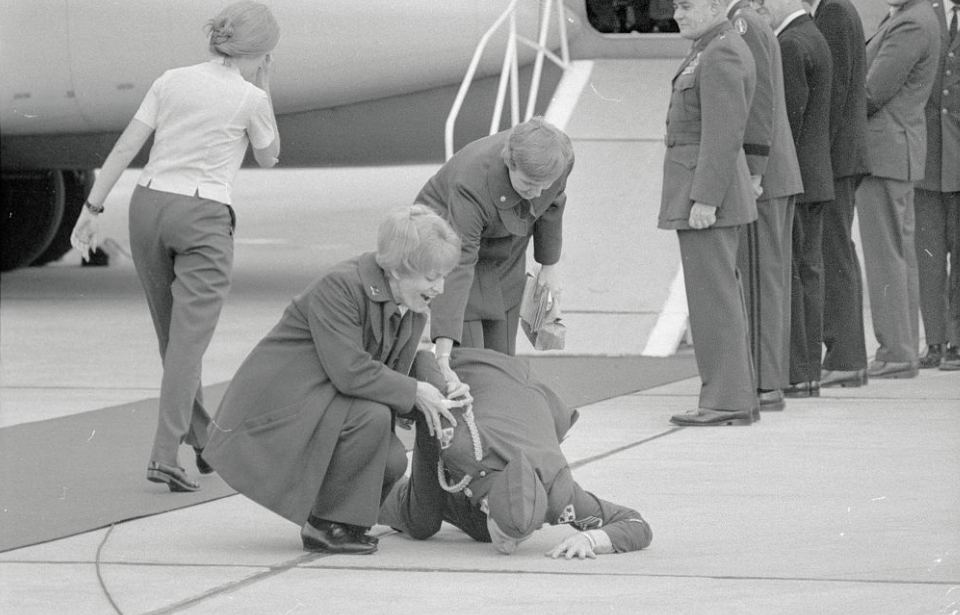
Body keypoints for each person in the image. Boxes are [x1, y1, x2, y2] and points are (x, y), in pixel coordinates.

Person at [69, 1, 281, 492]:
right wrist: (265, 87)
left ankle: (203, 438)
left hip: (148, 206)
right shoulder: (250, 98)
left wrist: (92, 209)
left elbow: (125, 147)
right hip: (202, 215)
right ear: (263, 52)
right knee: (188, 345)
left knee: (174, 340)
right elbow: (269, 157)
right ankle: (165, 455)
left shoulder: (171, 80)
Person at [203, 206, 469, 555]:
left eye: (444, 276)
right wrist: (416, 391)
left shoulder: (410, 305)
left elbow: (391, 375)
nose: (441, 287)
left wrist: (441, 388)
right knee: (371, 418)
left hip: (327, 400)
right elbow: (350, 370)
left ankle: (345, 524)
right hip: (284, 405)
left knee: (391, 460)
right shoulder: (341, 285)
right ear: (399, 267)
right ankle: (323, 526)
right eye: (433, 276)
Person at [379, 348, 653, 558]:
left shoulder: (560, 495)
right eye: (507, 535)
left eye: (519, 537)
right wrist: (422, 394)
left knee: (481, 532)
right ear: (489, 507)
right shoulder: (463, 447)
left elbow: (636, 523)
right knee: (421, 521)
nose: (509, 549)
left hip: (529, 395)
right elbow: (424, 360)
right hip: (469, 374)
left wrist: (590, 539)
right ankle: (371, 494)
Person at [417, 117, 574, 382]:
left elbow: (552, 203)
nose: (536, 193)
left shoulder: (560, 160)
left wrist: (549, 266)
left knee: (502, 358)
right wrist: (442, 349)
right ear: (510, 163)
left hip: (505, 240)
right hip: (450, 237)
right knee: (470, 358)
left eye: (542, 185)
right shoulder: (471, 182)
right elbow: (458, 263)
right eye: (528, 184)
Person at [662, 0, 760, 426]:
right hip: (701, 191)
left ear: (716, 5)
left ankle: (726, 401)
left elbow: (724, 132)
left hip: (706, 197)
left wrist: (705, 199)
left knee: (713, 301)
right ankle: (730, 396)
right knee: (714, 299)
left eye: (686, 5)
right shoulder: (712, 46)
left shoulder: (720, 51)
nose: (676, 13)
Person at [856, 0, 941, 379]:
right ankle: (901, 349)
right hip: (894, 149)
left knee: (885, 254)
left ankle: (895, 351)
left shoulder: (911, 23)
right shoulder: (910, 18)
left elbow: (873, 90)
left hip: (884, 149)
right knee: (898, 252)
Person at [728, 0, 805, 409]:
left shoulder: (743, 23)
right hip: (773, 172)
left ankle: (763, 382)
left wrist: (753, 170)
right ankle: (768, 377)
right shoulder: (751, 22)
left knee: (760, 283)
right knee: (767, 281)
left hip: (764, 176)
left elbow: (758, 100)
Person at [756, 0, 834, 394]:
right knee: (809, 272)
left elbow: (785, 117)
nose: (760, 7)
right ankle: (807, 371)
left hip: (796, 180)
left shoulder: (789, 44)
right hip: (817, 176)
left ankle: (798, 371)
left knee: (795, 276)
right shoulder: (812, 35)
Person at [805, 0, 871, 389]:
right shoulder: (837, 11)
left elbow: (834, 90)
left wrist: (817, 159)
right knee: (836, 250)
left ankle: (846, 357)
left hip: (835, 158)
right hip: (841, 155)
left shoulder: (833, 13)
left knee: (834, 252)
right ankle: (846, 355)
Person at [914, 0, 960, 371]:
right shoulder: (922, 15)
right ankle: (934, 341)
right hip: (927, 159)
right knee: (927, 258)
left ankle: (958, 341)